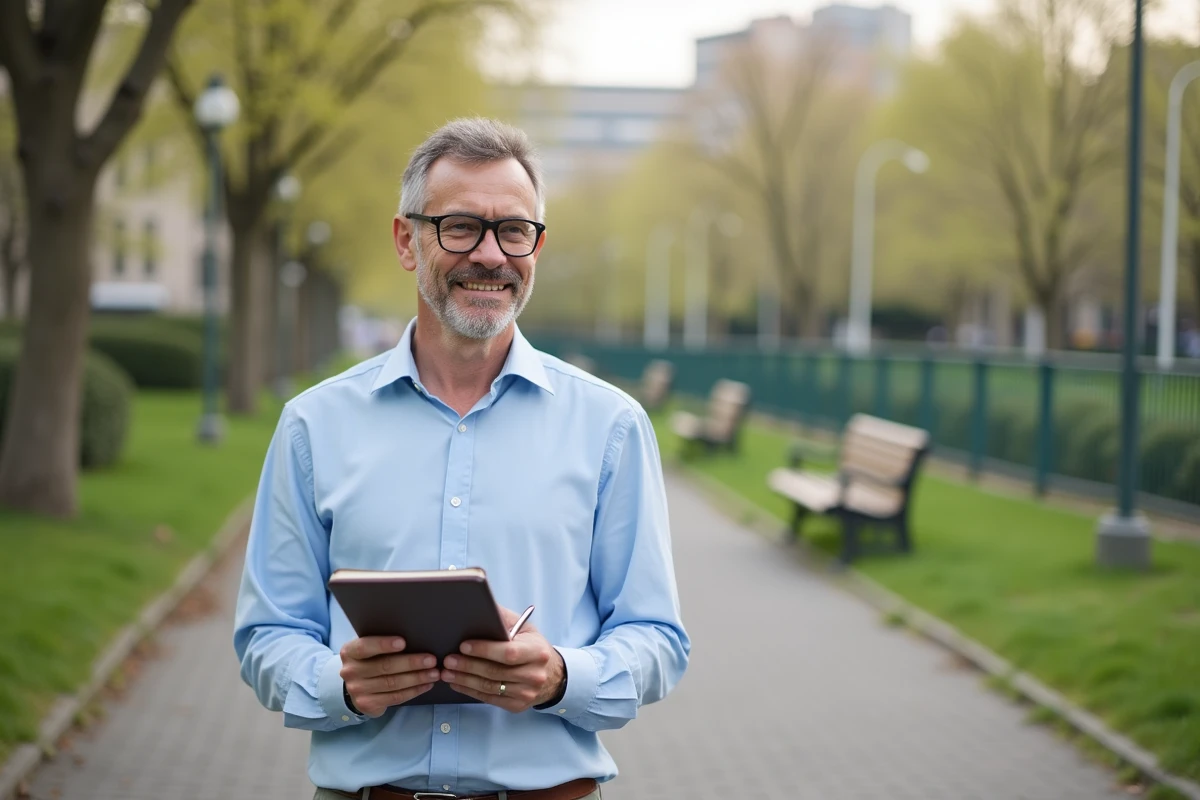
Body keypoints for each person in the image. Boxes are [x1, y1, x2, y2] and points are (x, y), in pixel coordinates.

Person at [233, 117, 690, 800]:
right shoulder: (313, 426)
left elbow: (657, 637)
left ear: (536, 245)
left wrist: (563, 676)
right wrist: (341, 685)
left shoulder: (611, 427)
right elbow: (267, 633)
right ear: (406, 241)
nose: (490, 255)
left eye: (513, 231)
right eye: (459, 227)